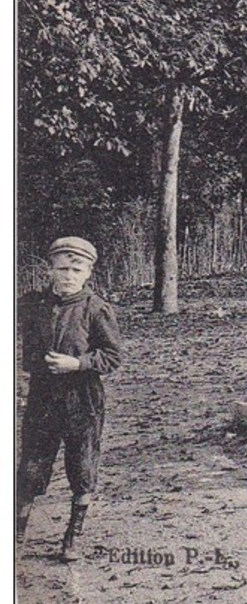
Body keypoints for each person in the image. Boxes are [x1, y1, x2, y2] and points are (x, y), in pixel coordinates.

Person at [17, 237, 124, 562]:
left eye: (76, 269)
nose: (68, 275)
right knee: (31, 467)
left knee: (81, 467)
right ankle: (16, 535)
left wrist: (78, 363)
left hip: (82, 400)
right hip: (42, 398)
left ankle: (71, 537)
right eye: (61, 268)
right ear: (49, 270)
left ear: (88, 272)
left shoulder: (96, 309)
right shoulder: (31, 305)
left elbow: (112, 356)